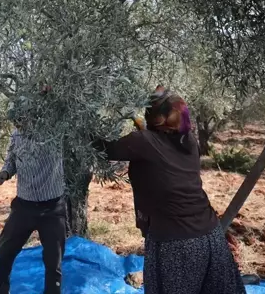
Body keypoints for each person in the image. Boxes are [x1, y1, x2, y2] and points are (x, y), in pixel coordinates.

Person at [96, 86, 246, 294]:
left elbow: (103, 147)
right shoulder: (189, 141)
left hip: (175, 244)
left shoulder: (144, 142)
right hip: (211, 236)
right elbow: (158, 149)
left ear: (153, 117)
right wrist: (141, 126)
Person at [0, 95, 66, 294]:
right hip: (24, 206)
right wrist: (3, 174)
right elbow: (11, 161)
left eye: (21, 120)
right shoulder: (17, 135)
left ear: (33, 116)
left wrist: (49, 91)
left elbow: (62, 106)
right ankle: (0, 290)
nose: (18, 125)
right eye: (16, 122)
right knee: (5, 251)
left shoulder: (53, 132)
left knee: (53, 262)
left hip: (52, 208)